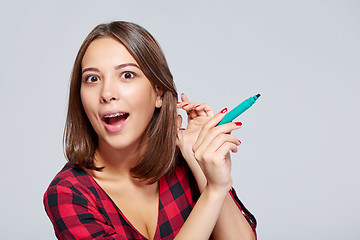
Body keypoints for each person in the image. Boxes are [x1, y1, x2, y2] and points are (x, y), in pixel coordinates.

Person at [43, 21, 257, 240]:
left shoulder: (183, 164)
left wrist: (197, 161)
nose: (106, 93)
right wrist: (213, 191)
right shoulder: (70, 194)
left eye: (127, 75)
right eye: (92, 78)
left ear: (158, 92)